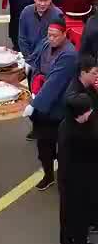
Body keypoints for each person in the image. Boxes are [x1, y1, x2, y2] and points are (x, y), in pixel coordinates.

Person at [24, 19, 77, 190]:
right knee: (44, 145)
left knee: (63, 146)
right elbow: (36, 61)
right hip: (43, 101)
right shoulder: (46, 44)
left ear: (64, 34)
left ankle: (65, 178)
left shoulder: (69, 54)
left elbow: (55, 82)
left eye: (55, 36)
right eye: (49, 35)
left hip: (59, 107)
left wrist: (35, 104)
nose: (51, 38)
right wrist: (31, 70)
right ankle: (48, 175)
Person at [57, 92, 98, 244]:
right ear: (80, 114)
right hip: (78, 185)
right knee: (80, 222)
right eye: (88, 110)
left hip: (70, 182)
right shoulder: (79, 135)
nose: (91, 112)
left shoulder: (66, 125)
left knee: (68, 218)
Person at [18, 0, 64, 68]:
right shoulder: (26, 12)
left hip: (49, 60)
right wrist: (28, 58)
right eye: (40, 0)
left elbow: (59, 42)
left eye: (46, 0)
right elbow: (22, 38)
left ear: (50, 0)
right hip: (29, 57)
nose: (42, 4)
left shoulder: (57, 14)